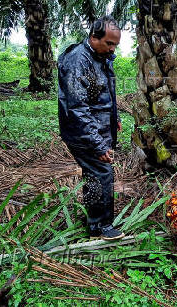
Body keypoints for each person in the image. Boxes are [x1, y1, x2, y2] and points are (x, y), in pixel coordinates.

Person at [58, 16, 124, 240]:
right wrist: (98, 144)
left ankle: (93, 219)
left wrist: (113, 119)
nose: (113, 49)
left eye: (115, 44)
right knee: (101, 173)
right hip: (83, 132)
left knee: (94, 174)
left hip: (97, 127)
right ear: (94, 37)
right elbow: (77, 108)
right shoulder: (78, 60)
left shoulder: (100, 56)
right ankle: (99, 227)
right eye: (109, 43)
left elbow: (102, 95)